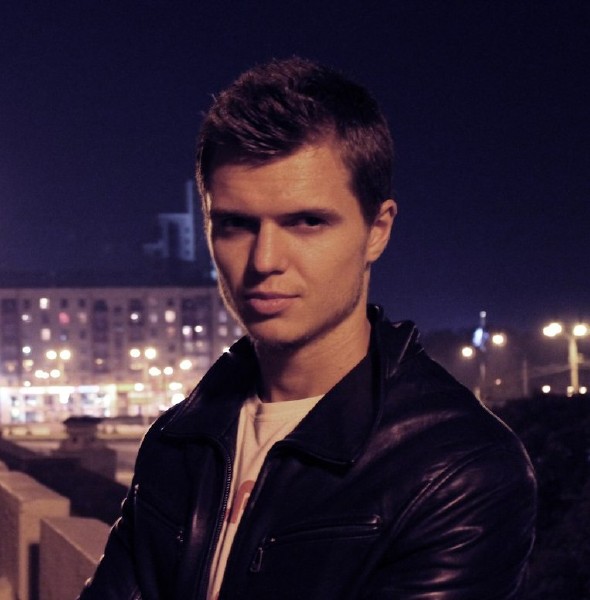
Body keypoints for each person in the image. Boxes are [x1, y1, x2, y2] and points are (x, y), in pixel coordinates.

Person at [79, 57, 536, 599]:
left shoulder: (458, 467)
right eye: (236, 225)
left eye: (307, 222)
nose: (264, 260)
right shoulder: (179, 440)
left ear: (377, 230)